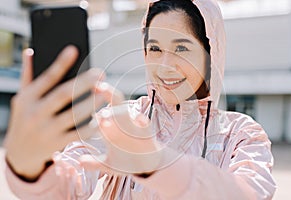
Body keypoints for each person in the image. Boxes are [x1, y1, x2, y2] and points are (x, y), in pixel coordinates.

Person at [4, 0, 276, 199]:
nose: (165, 64)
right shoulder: (123, 121)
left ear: (210, 54)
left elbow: (251, 194)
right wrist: (29, 167)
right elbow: (67, 185)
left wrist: (155, 162)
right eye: (155, 48)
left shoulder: (240, 134)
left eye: (181, 47)